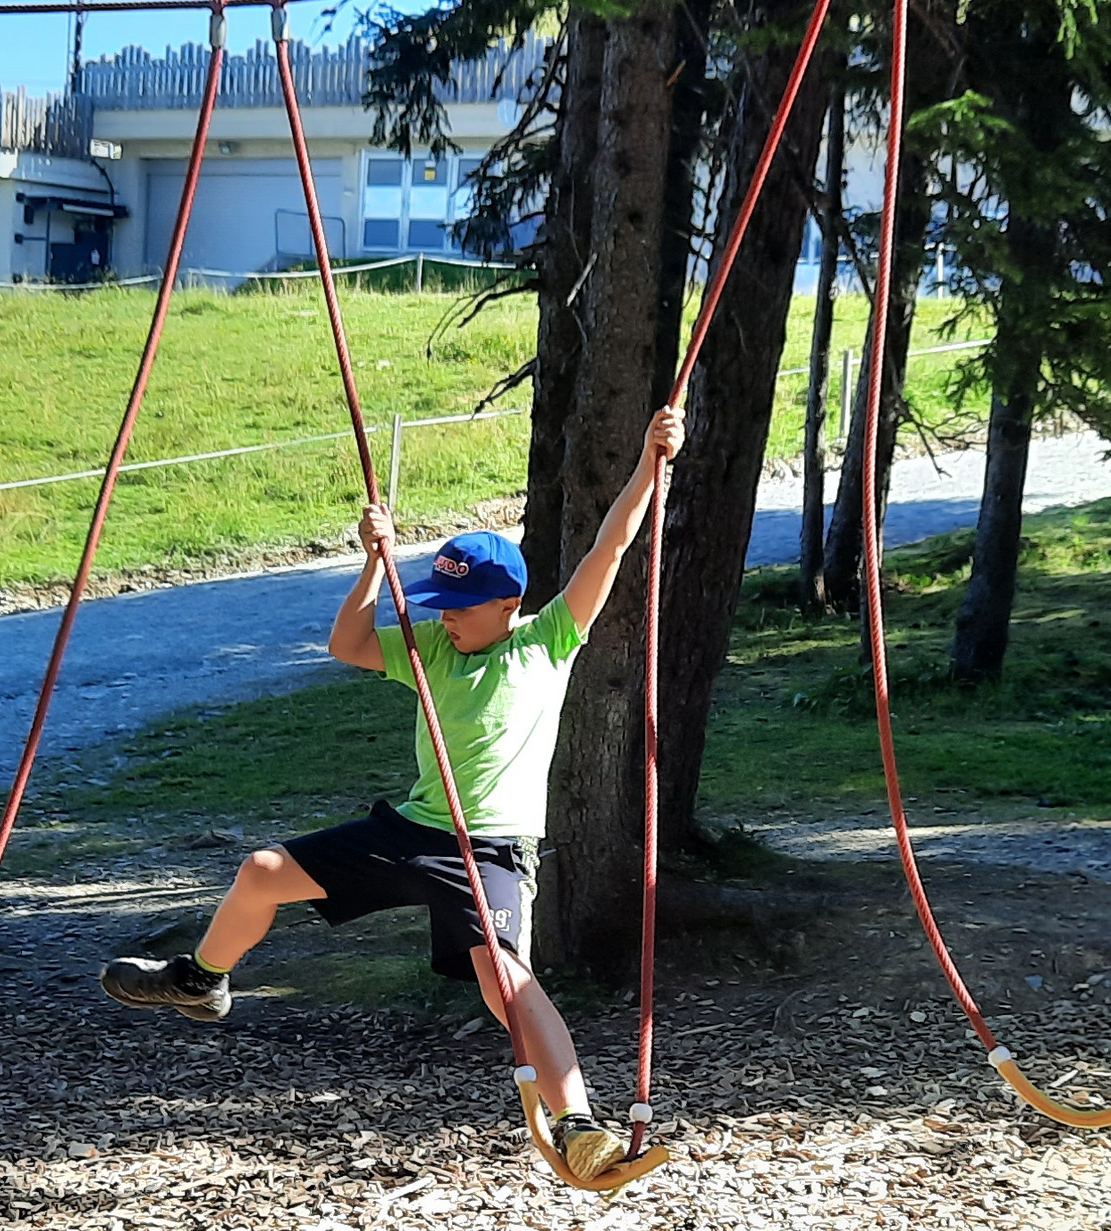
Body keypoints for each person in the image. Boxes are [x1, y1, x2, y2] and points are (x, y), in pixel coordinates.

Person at [98, 406, 688, 1179]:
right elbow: (344, 643)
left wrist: (650, 464)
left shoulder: (548, 640)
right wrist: (373, 564)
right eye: (436, 605)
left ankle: (577, 1125)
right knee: (261, 872)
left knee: (504, 980)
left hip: (491, 848)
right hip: (413, 830)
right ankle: (201, 981)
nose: (443, 620)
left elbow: (611, 544)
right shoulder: (430, 648)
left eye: (458, 609)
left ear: (507, 606)